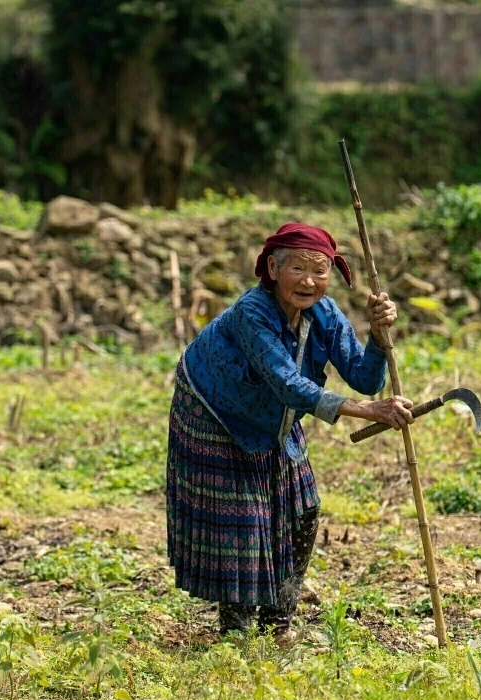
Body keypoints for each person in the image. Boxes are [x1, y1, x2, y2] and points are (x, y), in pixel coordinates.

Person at [165, 222, 414, 644]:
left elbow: (365, 378)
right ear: (273, 269)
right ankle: (236, 632)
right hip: (216, 411)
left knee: (303, 510)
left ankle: (277, 623)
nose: (309, 281)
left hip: (275, 415)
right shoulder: (251, 314)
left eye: (320, 271)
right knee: (242, 519)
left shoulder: (325, 314)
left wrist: (377, 336)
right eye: (298, 268)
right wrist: (368, 411)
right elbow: (288, 384)